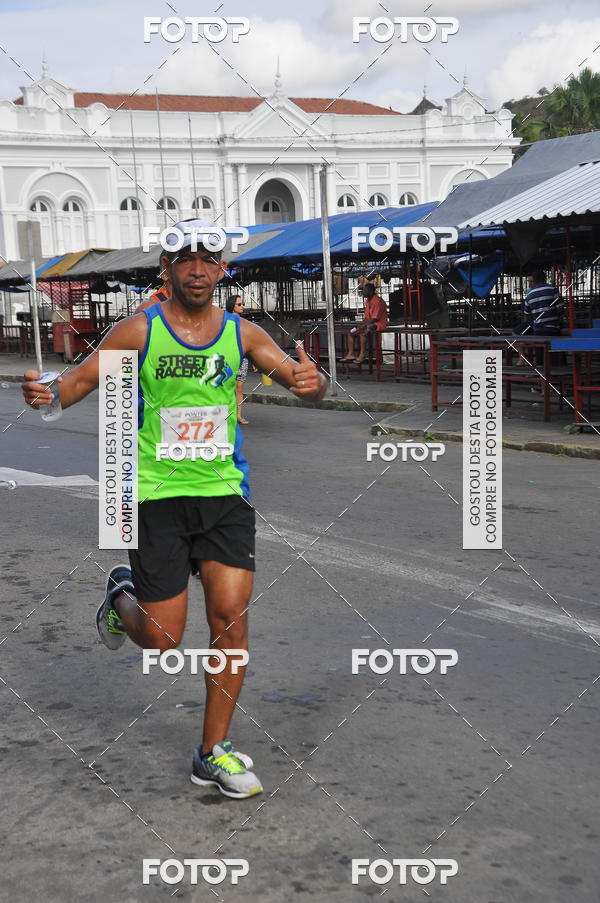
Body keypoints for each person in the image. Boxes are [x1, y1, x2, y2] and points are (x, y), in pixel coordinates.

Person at [22, 219, 327, 800]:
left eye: (207, 259)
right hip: (156, 497)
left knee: (230, 621)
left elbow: (305, 384)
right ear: (166, 268)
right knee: (163, 639)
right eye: (183, 259)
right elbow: (78, 382)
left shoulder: (242, 333)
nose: (196, 268)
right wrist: (46, 393)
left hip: (224, 496)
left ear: (221, 269)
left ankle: (212, 753)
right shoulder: (137, 331)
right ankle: (120, 597)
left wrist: (314, 383)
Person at [513, 270, 564, 365]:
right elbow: (560, 309)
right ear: (545, 279)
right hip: (554, 330)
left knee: (541, 361)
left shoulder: (530, 296)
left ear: (535, 281)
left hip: (538, 331)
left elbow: (527, 316)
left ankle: (540, 374)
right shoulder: (553, 290)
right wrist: (550, 314)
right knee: (555, 360)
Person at [340, 282, 388, 363]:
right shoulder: (368, 301)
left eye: (365, 290)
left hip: (379, 324)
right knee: (351, 332)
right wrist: (360, 325)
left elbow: (374, 319)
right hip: (369, 323)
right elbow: (366, 318)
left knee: (363, 331)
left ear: (371, 292)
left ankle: (362, 355)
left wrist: (363, 326)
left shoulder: (377, 301)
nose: (363, 292)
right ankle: (350, 354)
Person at [225, 294, 250, 424]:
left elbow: (248, 341)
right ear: (232, 306)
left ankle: (238, 416)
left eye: (242, 304)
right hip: (229, 358)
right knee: (227, 387)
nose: (242, 307)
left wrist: (253, 358)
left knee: (239, 388)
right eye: (239, 304)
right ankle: (227, 414)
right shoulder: (225, 321)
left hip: (243, 359)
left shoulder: (244, 323)